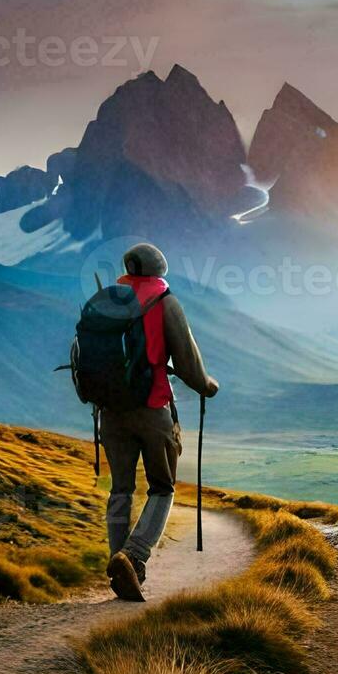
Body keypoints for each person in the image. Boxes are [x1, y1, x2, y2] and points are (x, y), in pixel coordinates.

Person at [102, 242, 218, 601]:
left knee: (121, 488)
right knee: (162, 487)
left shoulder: (108, 300)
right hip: (152, 406)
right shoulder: (164, 301)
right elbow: (187, 363)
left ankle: (117, 563)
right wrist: (207, 386)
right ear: (158, 269)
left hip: (110, 411)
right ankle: (134, 557)